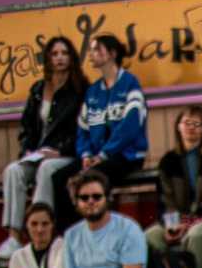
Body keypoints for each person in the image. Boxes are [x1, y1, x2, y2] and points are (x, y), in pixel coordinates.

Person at [0, 38, 82, 257]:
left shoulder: (79, 90)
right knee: (13, 171)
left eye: (64, 53)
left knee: (47, 168)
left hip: (65, 155)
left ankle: (40, 230)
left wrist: (59, 151)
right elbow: (26, 126)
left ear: (71, 57)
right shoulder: (38, 89)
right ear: (48, 59)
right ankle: (13, 238)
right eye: (54, 54)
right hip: (38, 154)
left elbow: (81, 130)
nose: (59, 58)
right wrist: (27, 150)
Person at [60, 36, 147, 229]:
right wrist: (86, 154)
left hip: (126, 155)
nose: (91, 54)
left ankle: (96, 228)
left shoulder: (129, 83)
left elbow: (129, 128)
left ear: (112, 54)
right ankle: (68, 234)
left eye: (97, 50)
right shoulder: (93, 91)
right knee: (59, 178)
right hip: (96, 156)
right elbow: (82, 128)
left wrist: (103, 155)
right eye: (90, 50)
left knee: (90, 177)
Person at [144, 106, 202, 268]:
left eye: (197, 123)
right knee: (149, 237)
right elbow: (166, 200)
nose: (191, 127)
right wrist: (172, 225)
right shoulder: (168, 161)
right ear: (178, 127)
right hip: (177, 220)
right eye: (187, 122)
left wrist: (188, 223)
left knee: (195, 235)